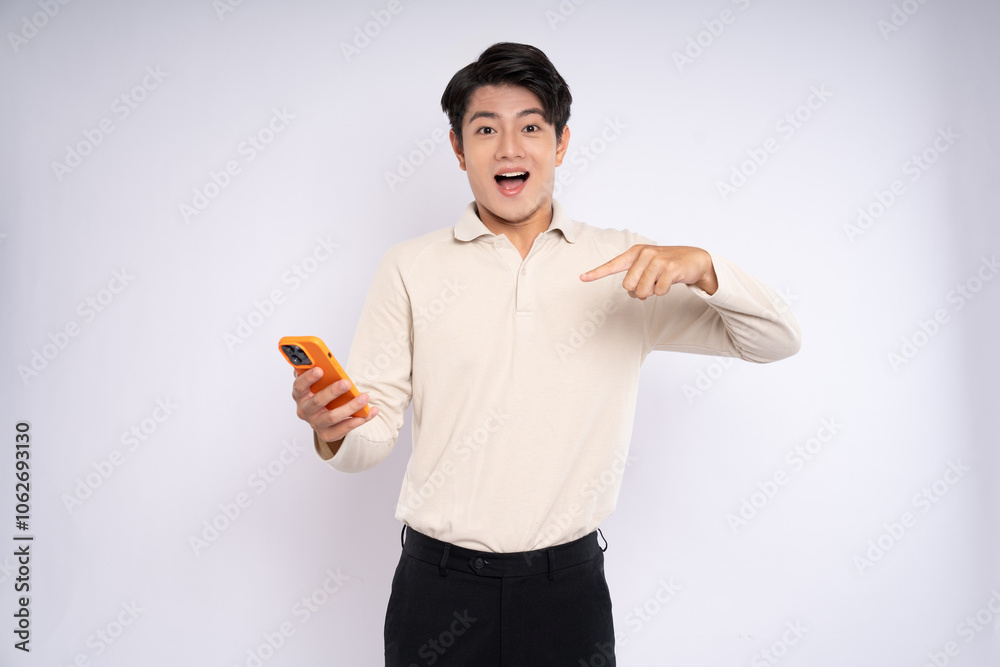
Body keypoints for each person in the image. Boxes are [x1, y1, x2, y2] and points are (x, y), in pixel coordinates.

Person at [291, 42, 801, 666]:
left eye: (530, 127)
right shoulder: (410, 267)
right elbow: (371, 440)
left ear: (559, 144)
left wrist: (704, 266)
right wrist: (332, 429)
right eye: (486, 130)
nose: (509, 148)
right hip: (438, 589)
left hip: (567, 595)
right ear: (459, 149)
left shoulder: (628, 264)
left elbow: (775, 340)